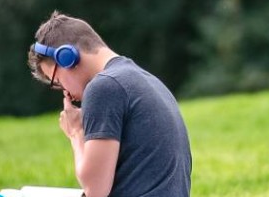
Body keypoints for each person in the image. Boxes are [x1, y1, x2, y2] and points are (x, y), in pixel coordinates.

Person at [27, 12, 192, 197]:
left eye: (56, 80)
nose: (65, 92)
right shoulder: (146, 80)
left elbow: (95, 190)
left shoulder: (103, 87)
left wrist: (76, 132)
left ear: (67, 57)